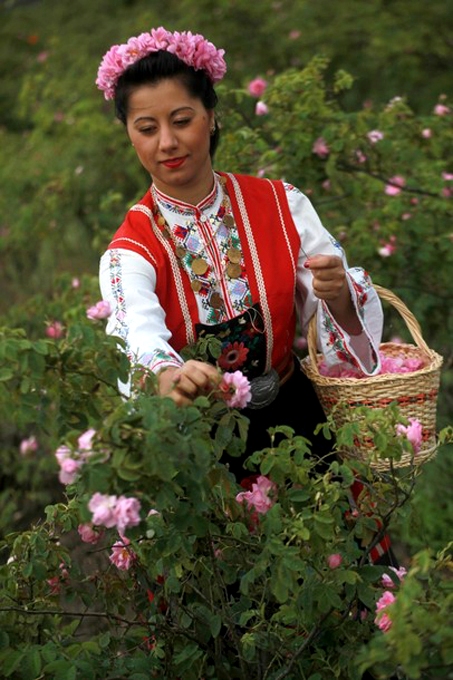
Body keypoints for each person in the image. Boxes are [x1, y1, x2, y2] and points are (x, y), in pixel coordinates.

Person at [96, 26, 384, 485]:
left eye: (182, 120)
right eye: (147, 128)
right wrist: (165, 373)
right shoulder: (130, 250)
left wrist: (340, 295)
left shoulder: (281, 203)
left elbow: (332, 309)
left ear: (211, 116)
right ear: (130, 134)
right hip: (207, 451)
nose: (166, 142)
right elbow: (135, 331)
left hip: (301, 424)